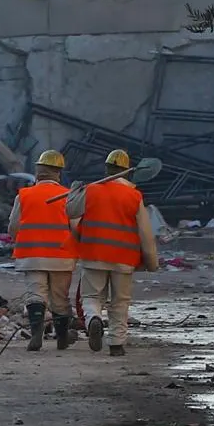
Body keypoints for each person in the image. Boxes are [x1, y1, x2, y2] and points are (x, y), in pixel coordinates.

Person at [66, 149, 159, 356]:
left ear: (106, 168)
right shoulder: (134, 196)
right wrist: (151, 261)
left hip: (94, 255)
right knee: (120, 301)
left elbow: (71, 212)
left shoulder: (91, 190)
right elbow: (145, 232)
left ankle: (93, 320)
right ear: (126, 172)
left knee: (91, 297)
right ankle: (116, 343)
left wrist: (75, 190)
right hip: (124, 259)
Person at [9, 150, 77, 350]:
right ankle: (62, 338)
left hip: (31, 255)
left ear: (38, 173)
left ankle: (36, 335)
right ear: (58, 173)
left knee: (35, 294)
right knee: (60, 298)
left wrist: (22, 239)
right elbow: (76, 227)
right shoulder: (68, 196)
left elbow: (13, 227)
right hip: (61, 256)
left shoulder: (24, 195)